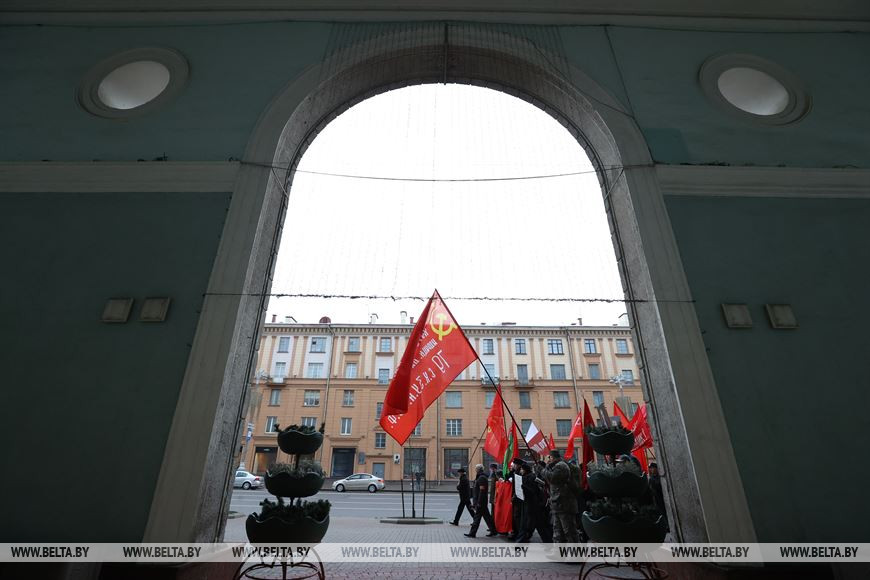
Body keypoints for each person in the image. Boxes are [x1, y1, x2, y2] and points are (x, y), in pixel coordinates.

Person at [543, 450, 580, 544]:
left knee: (569, 532)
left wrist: (543, 470)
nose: (549, 460)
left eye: (550, 457)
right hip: (558, 504)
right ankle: (558, 553)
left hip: (565, 504)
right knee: (557, 532)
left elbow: (553, 478)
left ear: (553, 457)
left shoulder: (561, 466)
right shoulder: (556, 466)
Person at [514, 459, 553, 543]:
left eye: (521, 469)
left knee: (532, 526)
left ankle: (548, 542)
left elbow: (533, 491)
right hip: (530, 505)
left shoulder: (531, 477)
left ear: (525, 470)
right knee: (532, 526)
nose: (520, 471)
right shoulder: (527, 476)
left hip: (533, 505)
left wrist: (524, 488)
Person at [465, 464, 497, 538]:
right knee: (487, 517)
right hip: (481, 501)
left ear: (478, 469)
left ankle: (472, 533)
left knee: (477, 518)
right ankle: (493, 530)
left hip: (481, 502)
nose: (475, 470)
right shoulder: (480, 477)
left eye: (476, 468)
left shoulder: (482, 478)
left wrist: (478, 502)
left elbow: (482, 491)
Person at [648, 462, 669, 531]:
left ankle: (667, 526)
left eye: (653, 468)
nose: (652, 469)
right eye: (651, 468)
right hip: (656, 499)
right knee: (659, 513)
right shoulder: (651, 478)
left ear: (656, 468)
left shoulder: (659, 477)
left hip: (661, 497)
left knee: (664, 512)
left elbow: (660, 486)